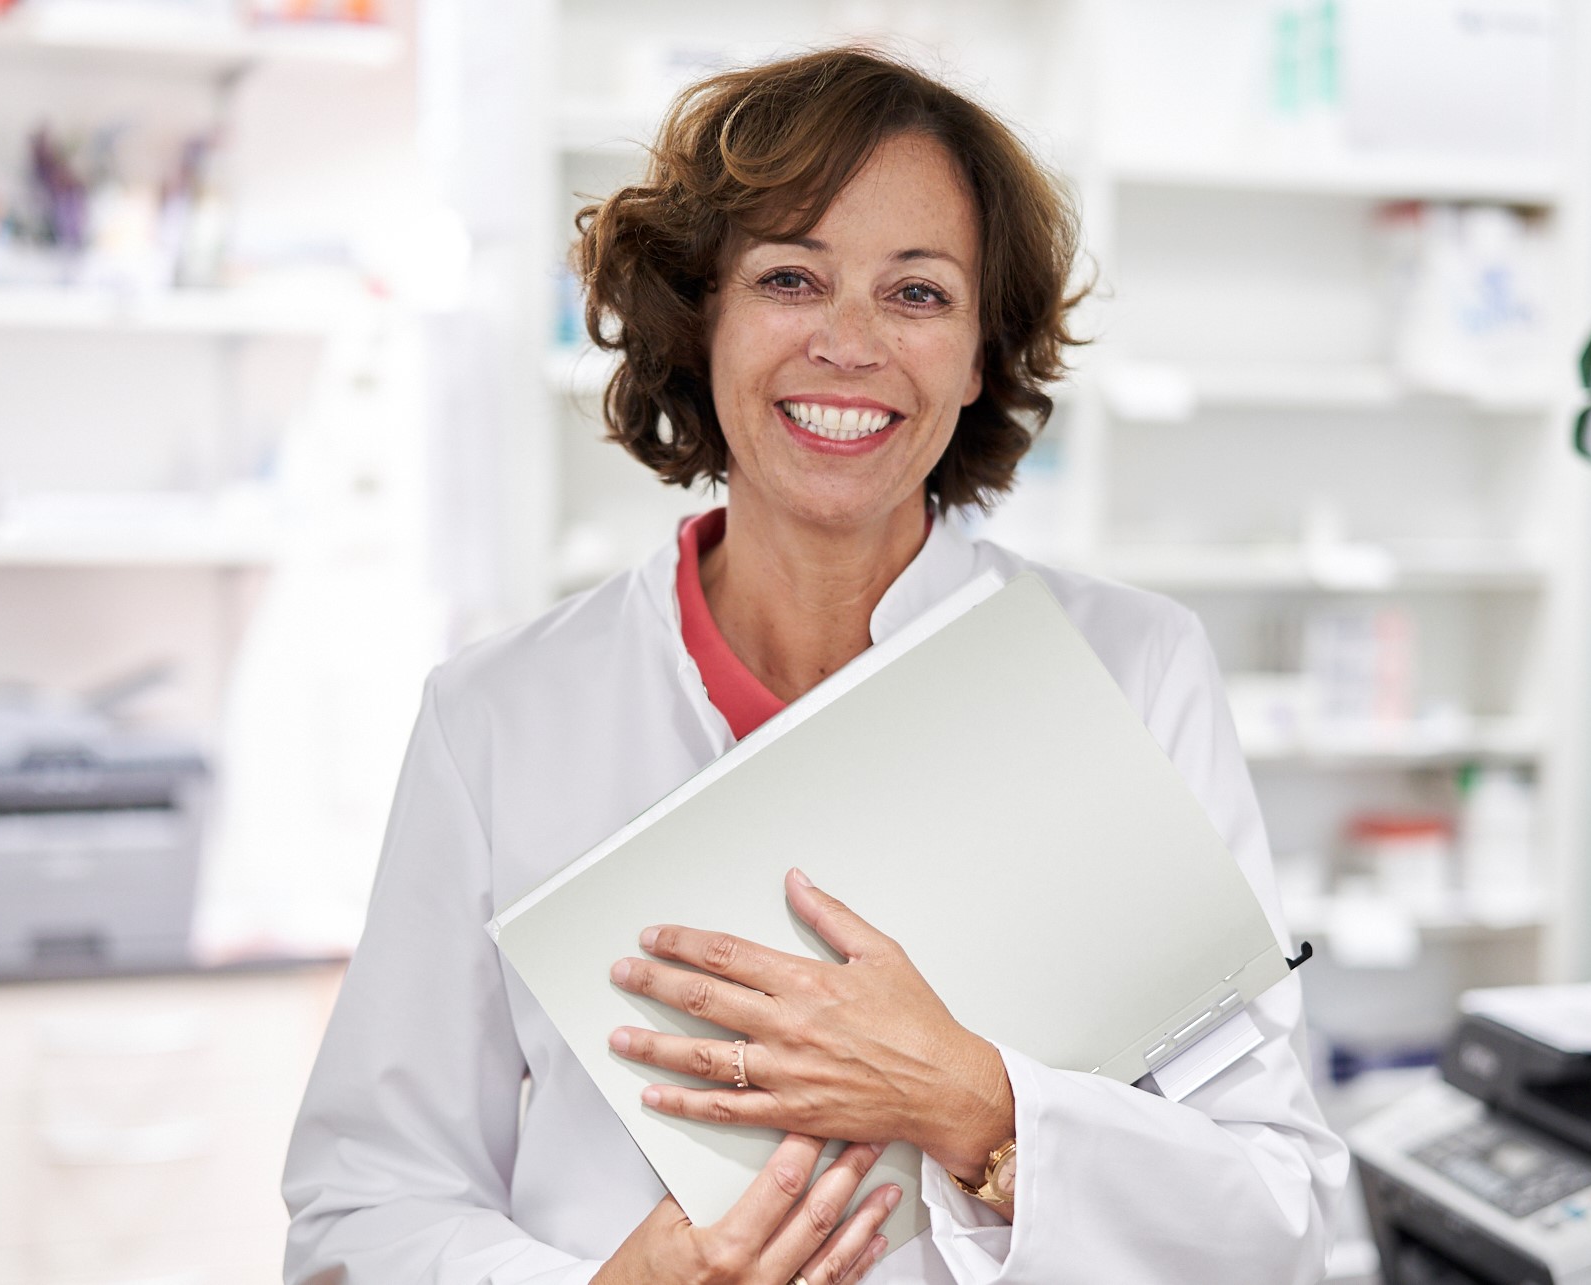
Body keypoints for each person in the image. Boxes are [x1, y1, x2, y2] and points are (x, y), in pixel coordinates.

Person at [282, 46, 1348, 1285]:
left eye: (917, 294)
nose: (849, 344)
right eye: (791, 277)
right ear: (702, 316)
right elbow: (361, 1209)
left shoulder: (1129, 666)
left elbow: (1277, 1213)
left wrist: (973, 1102)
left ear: (981, 355)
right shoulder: (501, 716)